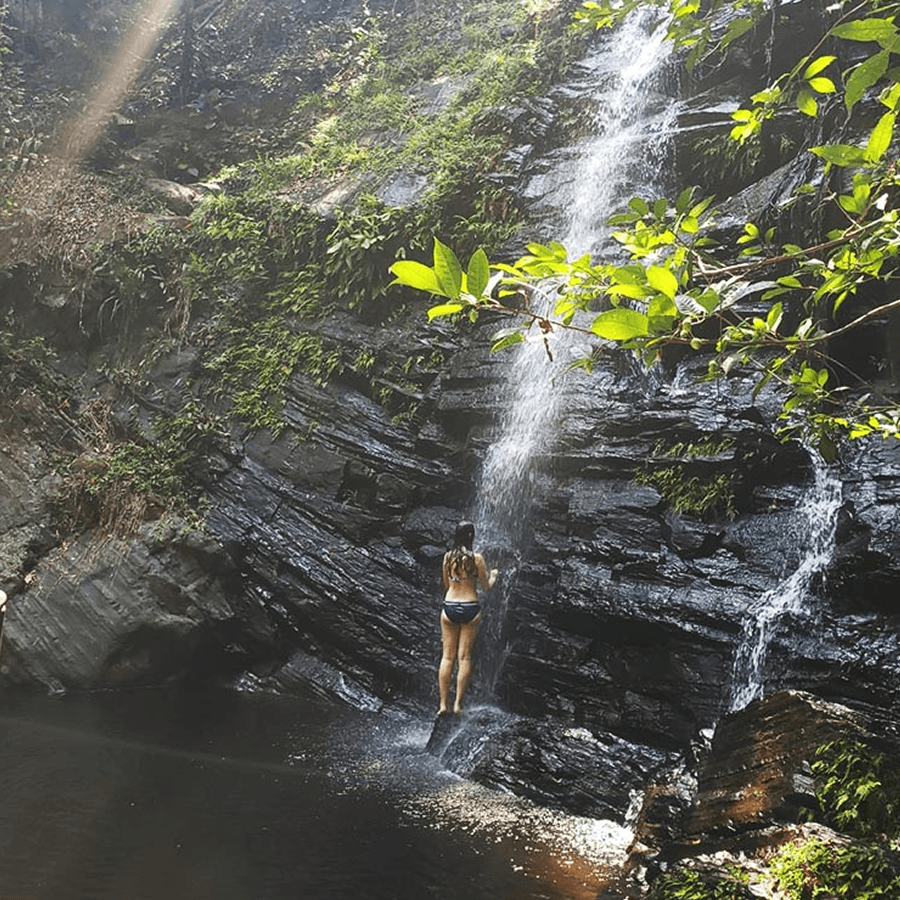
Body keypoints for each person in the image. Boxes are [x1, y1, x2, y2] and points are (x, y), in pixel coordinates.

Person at [438, 521, 498, 716]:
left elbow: (447, 585)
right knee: (464, 657)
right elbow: (486, 586)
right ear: (471, 536)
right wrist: (494, 575)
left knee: (447, 657)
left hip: (450, 607)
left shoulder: (447, 558)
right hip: (471, 607)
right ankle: (458, 705)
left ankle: (443, 705)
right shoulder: (477, 558)